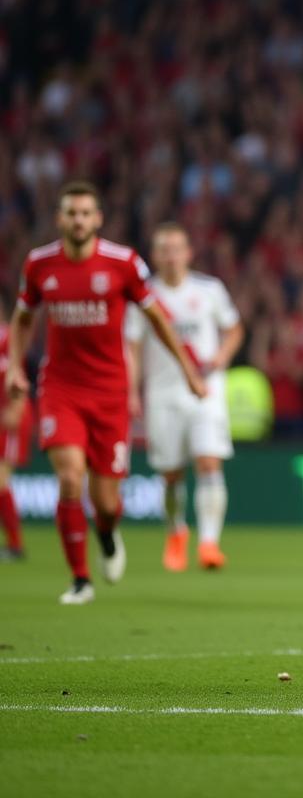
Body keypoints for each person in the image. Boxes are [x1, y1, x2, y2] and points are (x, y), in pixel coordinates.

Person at [4, 183, 206, 605]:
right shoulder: (40, 264)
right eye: (70, 213)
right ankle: (80, 578)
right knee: (69, 477)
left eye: (85, 213)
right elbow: (23, 320)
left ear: (97, 219)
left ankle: (109, 535)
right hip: (61, 388)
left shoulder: (124, 263)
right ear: (60, 219)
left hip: (110, 393)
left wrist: (188, 368)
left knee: (107, 502)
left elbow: (159, 320)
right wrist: (17, 367)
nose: (78, 220)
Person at [126, 223, 244, 572]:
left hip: (206, 390)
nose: (171, 255)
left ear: (189, 253)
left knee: (209, 462)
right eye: (164, 249)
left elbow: (234, 328)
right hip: (163, 392)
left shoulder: (209, 289)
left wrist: (222, 356)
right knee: (171, 474)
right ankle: (176, 531)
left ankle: (209, 542)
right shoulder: (143, 297)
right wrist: (131, 392)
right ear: (155, 255)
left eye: (177, 248)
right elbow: (131, 347)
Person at [0, 301, 34, 560]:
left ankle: (15, 544)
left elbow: (20, 370)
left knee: (0, 480)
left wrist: (17, 405)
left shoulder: (7, 338)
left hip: (9, 416)